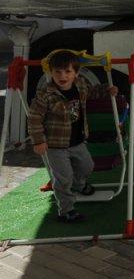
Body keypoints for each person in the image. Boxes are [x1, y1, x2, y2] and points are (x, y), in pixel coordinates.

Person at [28, 50, 118, 223]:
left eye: (67, 72)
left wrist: (108, 90)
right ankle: (66, 210)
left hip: (77, 141)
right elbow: (34, 118)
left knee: (87, 166)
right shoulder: (45, 94)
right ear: (51, 73)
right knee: (63, 178)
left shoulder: (81, 85)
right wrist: (39, 140)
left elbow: (93, 92)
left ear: (76, 73)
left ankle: (79, 184)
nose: (63, 76)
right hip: (55, 145)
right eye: (58, 72)